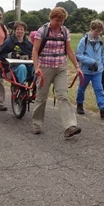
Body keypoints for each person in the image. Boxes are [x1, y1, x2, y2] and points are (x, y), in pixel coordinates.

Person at [31, 7, 83, 139]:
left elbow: (70, 51)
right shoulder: (42, 31)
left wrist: (77, 66)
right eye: (57, 20)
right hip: (45, 68)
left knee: (63, 95)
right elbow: (35, 51)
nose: (59, 23)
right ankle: (37, 124)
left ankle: (70, 126)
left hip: (61, 67)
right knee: (42, 96)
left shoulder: (65, 32)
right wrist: (37, 68)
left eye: (62, 20)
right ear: (51, 18)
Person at [75, 19, 104, 118]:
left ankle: (102, 109)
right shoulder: (84, 40)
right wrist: (91, 62)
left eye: (100, 31)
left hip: (97, 71)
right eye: (96, 31)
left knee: (99, 89)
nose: (98, 33)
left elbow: (102, 56)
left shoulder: (101, 41)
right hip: (85, 71)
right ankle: (79, 104)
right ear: (91, 29)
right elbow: (78, 55)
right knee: (82, 89)